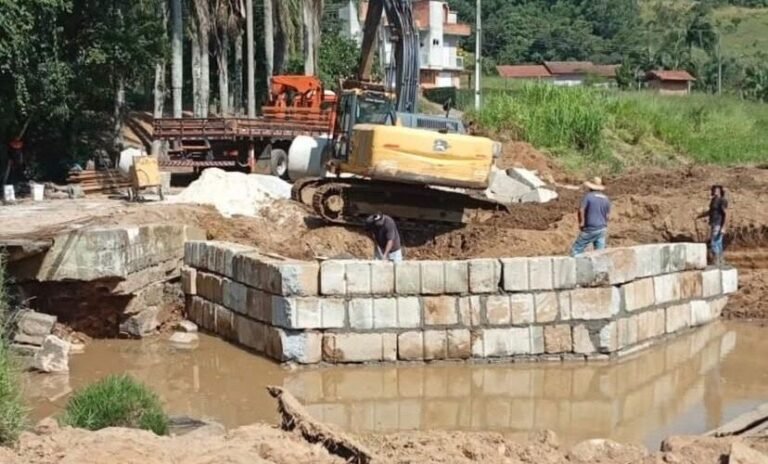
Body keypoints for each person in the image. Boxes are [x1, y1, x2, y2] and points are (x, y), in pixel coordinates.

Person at [570, 177, 611, 257]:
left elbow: (581, 210)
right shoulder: (606, 199)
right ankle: (601, 268)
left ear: (590, 187)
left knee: (576, 250)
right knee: (600, 253)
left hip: (590, 228)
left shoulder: (588, 196)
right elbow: (607, 215)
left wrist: (582, 222)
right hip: (602, 229)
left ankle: (579, 266)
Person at [697, 185, 728, 266]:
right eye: (714, 190)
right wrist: (700, 216)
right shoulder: (713, 200)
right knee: (718, 243)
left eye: (717, 190)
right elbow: (711, 212)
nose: (715, 191)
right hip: (713, 223)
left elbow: (726, 214)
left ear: (720, 191)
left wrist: (724, 226)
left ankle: (716, 262)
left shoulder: (722, 200)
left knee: (714, 243)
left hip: (718, 224)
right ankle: (721, 262)